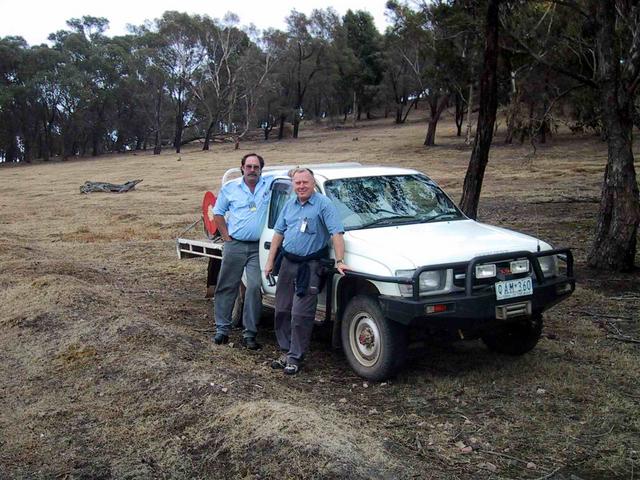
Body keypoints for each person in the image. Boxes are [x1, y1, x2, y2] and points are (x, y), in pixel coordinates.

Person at [264, 167, 350, 375]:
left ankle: (295, 358)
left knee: (300, 314)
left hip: (310, 266)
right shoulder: (289, 204)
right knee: (282, 310)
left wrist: (340, 260)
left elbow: (336, 233)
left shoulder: (323, 204)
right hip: (287, 263)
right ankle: (286, 351)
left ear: (313, 184)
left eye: (305, 182)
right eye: (297, 183)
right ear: (293, 185)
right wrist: (270, 262)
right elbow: (278, 233)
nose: (301, 186)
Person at [212, 153, 273, 349]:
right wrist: (226, 236)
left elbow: (293, 178)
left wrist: (295, 171)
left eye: (256, 167)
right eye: (249, 166)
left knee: (255, 287)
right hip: (235, 244)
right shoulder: (230, 188)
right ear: (242, 168)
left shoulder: (270, 184)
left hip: (258, 248)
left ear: (261, 169)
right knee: (227, 286)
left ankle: (250, 334)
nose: (252, 170)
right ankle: (222, 330)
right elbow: (218, 213)